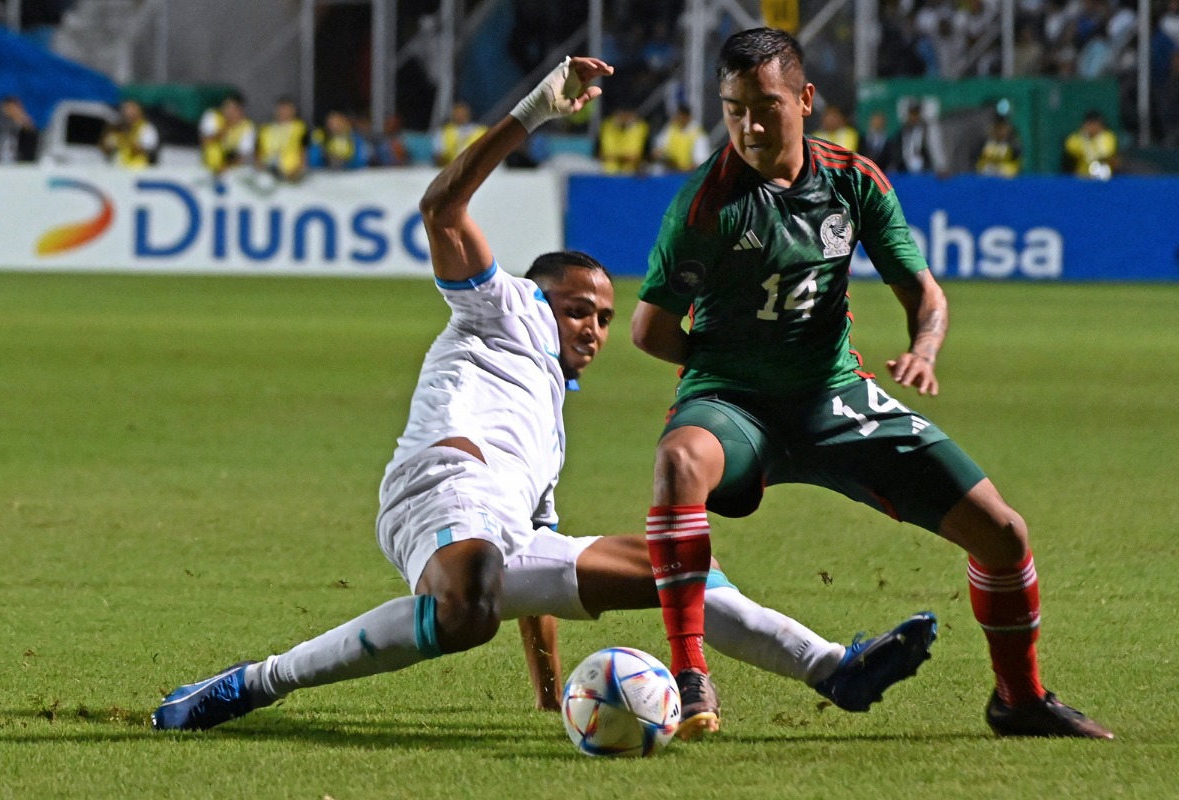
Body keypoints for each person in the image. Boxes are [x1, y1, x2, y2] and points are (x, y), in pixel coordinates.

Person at [151, 55, 937, 733]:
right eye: (578, 309)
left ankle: (832, 667)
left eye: (604, 316)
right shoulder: (505, 308)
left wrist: (543, 692)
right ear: (538, 295)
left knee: (676, 561)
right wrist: (535, 109)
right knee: (466, 611)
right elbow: (441, 208)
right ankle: (252, 684)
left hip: (497, 533)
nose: (593, 327)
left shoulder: (548, 422)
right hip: (440, 490)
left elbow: (540, 574)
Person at [630, 27, 1113, 741]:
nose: (750, 125)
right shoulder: (706, 203)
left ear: (806, 99)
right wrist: (728, 368)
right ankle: (691, 676)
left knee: (1005, 535)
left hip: (836, 398)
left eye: (765, 105)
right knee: (678, 462)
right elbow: (649, 330)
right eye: (733, 109)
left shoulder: (853, 182)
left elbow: (925, 293)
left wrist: (924, 347)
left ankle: (1020, 699)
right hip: (734, 403)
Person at [199, 92, 256, 174]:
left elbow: (244, 155)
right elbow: (205, 141)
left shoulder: (247, 127)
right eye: (227, 107)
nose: (228, 111)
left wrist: (226, 168)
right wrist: (225, 128)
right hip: (208, 166)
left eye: (233, 109)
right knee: (214, 150)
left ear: (240, 111)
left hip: (232, 169)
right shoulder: (213, 116)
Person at [256, 96, 308, 181]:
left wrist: (297, 171)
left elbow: (304, 151)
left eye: (287, 109)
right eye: (282, 109)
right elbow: (258, 152)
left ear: (293, 111)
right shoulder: (265, 129)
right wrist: (260, 168)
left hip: (291, 174)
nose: (284, 112)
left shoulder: (300, 128)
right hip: (267, 174)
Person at [893, 99, 947, 175]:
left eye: (916, 113)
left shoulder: (926, 131)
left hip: (925, 172)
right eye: (912, 114)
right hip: (906, 172)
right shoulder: (903, 132)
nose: (914, 117)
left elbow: (932, 150)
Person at [651, 103, 710, 172]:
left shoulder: (698, 134)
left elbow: (701, 162)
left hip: (687, 175)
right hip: (669, 171)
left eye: (680, 116)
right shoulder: (671, 128)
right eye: (677, 116)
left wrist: (682, 168)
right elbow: (659, 148)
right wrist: (659, 154)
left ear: (687, 117)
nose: (677, 119)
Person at [100, 99, 159, 169]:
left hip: (139, 167)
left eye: (131, 110)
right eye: (126, 110)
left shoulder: (146, 128)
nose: (128, 113)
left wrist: (124, 141)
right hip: (117, 168)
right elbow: (106, 148)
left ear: (139, 111)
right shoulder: (117, 128)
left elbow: (145, 149)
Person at [1062, 109, 1118, 179]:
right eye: (1089, 124)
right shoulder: (1077, 138)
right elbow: (1070, 146)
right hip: (1082, 177)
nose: (1092, 128)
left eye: (1095, 124)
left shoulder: (1107, 137)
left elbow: (1107, 152)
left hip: (1104, 178)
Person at [0, 95, 38, 162]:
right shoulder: (0, 128)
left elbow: (32, 131)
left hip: (21, 161)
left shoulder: (26, 130)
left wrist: (20, 117)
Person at [598, 104, 650, 174]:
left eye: (627, 114)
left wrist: (615, 157)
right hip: (607, 169)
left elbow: (645, 154)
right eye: (622, 114)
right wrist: (622, 158)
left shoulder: (641, 128)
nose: (624, 118)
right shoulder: (606, 126)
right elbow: (598, 153)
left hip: (632, 170)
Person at [433, 101, 487, 165]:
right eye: (457, 113)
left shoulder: (481, 131)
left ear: (468, 114)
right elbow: (438, 155)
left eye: (462, 113)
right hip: (451, 168)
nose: (459, 116)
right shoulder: (443, 132)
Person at [974, 112, 1022, 177]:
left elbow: (1016, 165)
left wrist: (1002, 170)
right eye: (998, 128)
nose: (1001, 132)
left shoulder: (1013, 144)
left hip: (1006, 180)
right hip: (986, 179)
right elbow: (977, 163)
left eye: (1003, 128)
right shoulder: (984, 143)